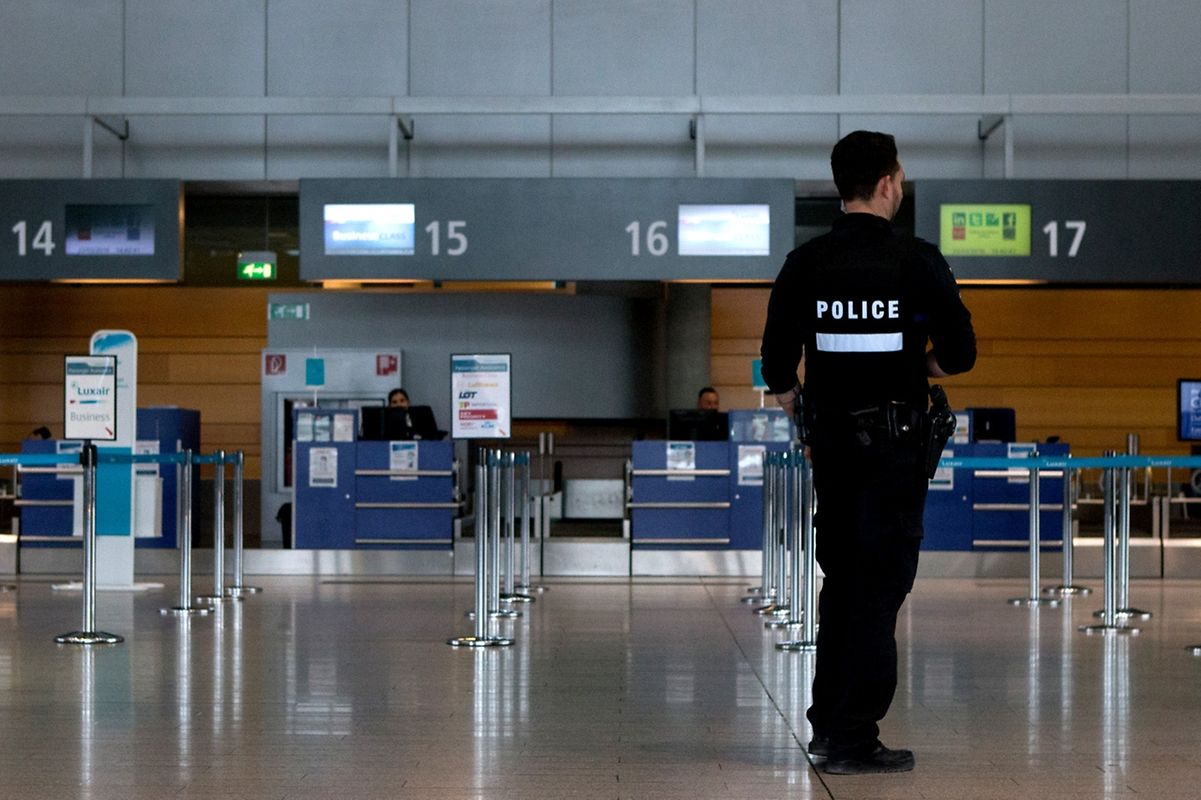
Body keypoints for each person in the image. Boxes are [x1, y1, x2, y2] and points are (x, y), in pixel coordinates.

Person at [760, 131, 976, 776]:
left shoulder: (806, 264)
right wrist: (917, 364)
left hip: (832, 450)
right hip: (895, 452)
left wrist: (799, 405)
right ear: (886, 183)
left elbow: (775, 364)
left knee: (845, 585)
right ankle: (853, 737)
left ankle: (830, 726)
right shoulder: (917, 260)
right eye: (901, 176)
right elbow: (960, 354)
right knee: (879, 592)